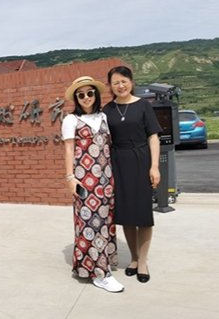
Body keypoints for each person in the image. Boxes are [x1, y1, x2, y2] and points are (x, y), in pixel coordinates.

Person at [61, 76, 124, 293]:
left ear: (96, 95)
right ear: (76, 99)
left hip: (106, 179)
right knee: (90, 223)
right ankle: (100, 273)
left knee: (105, 222)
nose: (86, 97)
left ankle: (93, 265)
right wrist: (70, 177)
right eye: (81, 95)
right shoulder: (70, 120)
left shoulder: (104, 117)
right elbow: (69, 149)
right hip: (84, 179)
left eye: (90, 93)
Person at [103, 65, 162, 283]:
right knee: (127, 215)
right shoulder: (107, 110)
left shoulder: (143, 106)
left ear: (131, 82)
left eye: (124, 81)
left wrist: (154, 167)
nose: (120, 85)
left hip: (141, 160)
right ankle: (134, 258)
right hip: (118, 163)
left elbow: (153, 137)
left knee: (144, 215)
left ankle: (144, 261)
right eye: (115, 82)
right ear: (110, 85)